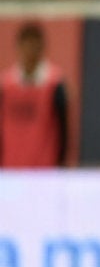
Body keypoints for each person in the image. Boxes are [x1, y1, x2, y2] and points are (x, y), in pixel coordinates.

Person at [0, 21, 68, 168]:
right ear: (18, 47)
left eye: (35, 45)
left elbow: (64, 130)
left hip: (44, 170)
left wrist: (61, 164)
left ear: (42, 47)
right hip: (10, 168)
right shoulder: (5, 85)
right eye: (27, 45)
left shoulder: (54, 83)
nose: (31, 51)